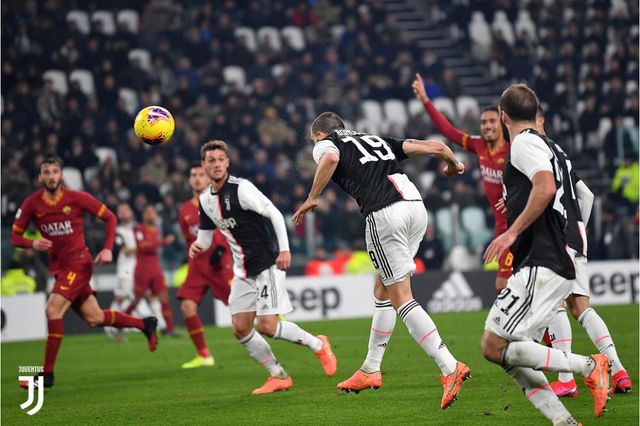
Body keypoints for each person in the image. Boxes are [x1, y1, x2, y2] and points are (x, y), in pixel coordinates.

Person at [292, 112, 470, 409]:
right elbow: (437, 147)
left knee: (401, 298)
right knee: (382, 289)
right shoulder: (375, 140)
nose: (316, 147)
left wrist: (313, 196)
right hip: (415, 209)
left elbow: (331, 159)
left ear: (320, 134)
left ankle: (449, 367)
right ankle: (370, 369)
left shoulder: (326, 143)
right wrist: (455, 165)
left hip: (385, 213)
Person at [481, 84, 610, 424]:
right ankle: (564, 420)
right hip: (551, 259)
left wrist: (511, 231)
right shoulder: (543, 144)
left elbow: (546, 186)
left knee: (492, 346)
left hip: (542, 260)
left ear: (504, 116)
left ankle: (589, 365)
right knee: (508, 351)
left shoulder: (523, 142)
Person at [189, 140, 337, 395]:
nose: (216, 164)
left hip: (267, 264)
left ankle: (318, 344)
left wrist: (285, 249)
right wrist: (197, 246)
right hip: (242, 272)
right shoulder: (205, 199)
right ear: (203, 165)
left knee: (267, 326)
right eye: (210, 160)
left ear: (227, 162)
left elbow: (275, 214)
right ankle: (278, 375)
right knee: (240, 328)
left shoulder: (242, 189)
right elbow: (205, 236)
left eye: (220, 159)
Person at [11, 156, 158, 389]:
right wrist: (33, 244)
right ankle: (145, 324)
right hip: (60, 269)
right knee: (95, 318)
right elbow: (15, 236)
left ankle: (46, 374)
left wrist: (108, 249)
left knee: (52, 310)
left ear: (61, 175)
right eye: (46, 172)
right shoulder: (32, 203)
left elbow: (110, 218)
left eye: (55, 171)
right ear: (40, 177)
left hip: (79, 263)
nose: (51, 176)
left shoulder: (76, 198)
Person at [535, 107, 633, 396]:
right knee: (582, 308)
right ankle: (619, 370)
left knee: (554, 305)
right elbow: (587, 195)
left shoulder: (534, 151)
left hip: (555, 238)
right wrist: (579, 228)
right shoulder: (562, 153)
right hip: (575, 239)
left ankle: (566, 379)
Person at [412, 73, 512, 292]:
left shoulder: (515, 148)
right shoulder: (479, 146)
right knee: (508, 288)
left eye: (492, 121)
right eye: (484, 122)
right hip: (502, 228)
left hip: (519, 226)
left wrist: (513, 197)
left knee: (507, 287)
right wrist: (426, 102)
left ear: (502, 122)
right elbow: (448, 131)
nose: (486, 126)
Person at [177, 163, 233, 369]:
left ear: (209, 179)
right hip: (197, 267)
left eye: (201, 174)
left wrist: (222, 250)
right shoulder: (184, 210)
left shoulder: (218, 201)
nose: (197, 178)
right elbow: (187, 238)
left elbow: (229, 228)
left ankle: (272, 314)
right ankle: (203, 354)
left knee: (243, 311)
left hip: (220, 264)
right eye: (194, 175)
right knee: (187, 307)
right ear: (190, 180)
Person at [125, 204, 177, 336]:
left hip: (156, 269)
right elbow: (144, 247)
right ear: (144, 215)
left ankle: (170, 329)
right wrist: (163, 242)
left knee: (164, 298)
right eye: (148, 212)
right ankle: (119, 325)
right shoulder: (139, 230)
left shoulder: (156, 230)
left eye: (153, 213)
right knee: (137, 299)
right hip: (143, 270)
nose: (151, 215)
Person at [105, 202, 138, 342]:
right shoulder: (118, 231)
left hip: (137, 269)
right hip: (125, 271)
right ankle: (110, 326)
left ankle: (161, 325)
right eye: (121, 211)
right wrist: (144, 247)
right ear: (118, 215)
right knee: (120, 299)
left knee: (137, 297)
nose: (124, 212)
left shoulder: (138, 228)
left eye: (126, 210)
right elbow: (124, 250)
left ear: (131, 212)